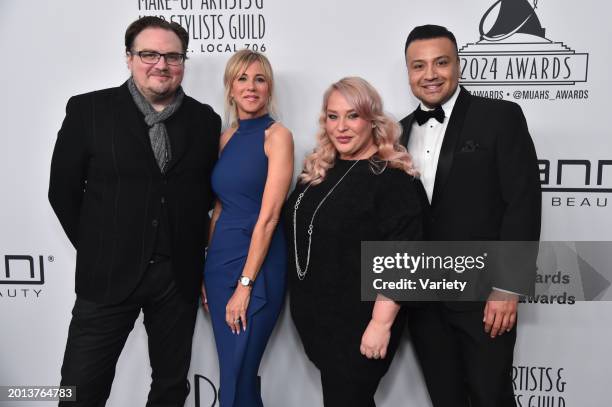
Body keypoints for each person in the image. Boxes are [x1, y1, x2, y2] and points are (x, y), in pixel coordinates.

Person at [48, 16, 221, 406]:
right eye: (149, 54)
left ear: (183, 62)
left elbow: (204, 198)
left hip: (176, 278)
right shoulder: (88, 110)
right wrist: (100, 247)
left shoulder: (205, 121)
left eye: (172, 56)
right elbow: (62, 192)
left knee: (171, 387)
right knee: (79, 387)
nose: (161, 64)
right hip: (107, 275)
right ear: (129, 58)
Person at [400, 25, 541, 407]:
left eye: (440, 63)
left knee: (490, 397)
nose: (430, 74)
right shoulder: (398, 132)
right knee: (445, 398)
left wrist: (508, 287)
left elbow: (522, 203)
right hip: (424, 301)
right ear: (409, 72)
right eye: (419, 66)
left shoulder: (500, 117)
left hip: (485, 298)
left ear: (458, 65)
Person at [285, 77, 426, 407]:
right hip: (319, 318)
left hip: (361, 320)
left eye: (353, 116)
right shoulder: (320, 168)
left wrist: (380, 323)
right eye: (333, 116)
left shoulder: (390, 178)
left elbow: (403, 256)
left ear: (372, 120)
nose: (341, 127)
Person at [202, 49, 294, 407]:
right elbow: (219, 208)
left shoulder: (277, 136)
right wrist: (206, 269)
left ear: (269, 88)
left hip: (257, 265)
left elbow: (269, 216)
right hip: (220, 264)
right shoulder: (225, 139)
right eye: (242, 78)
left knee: (239, 372)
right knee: (232, 374)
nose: (251, 87)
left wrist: (245, 284)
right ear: (230, 88)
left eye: (259, 79)